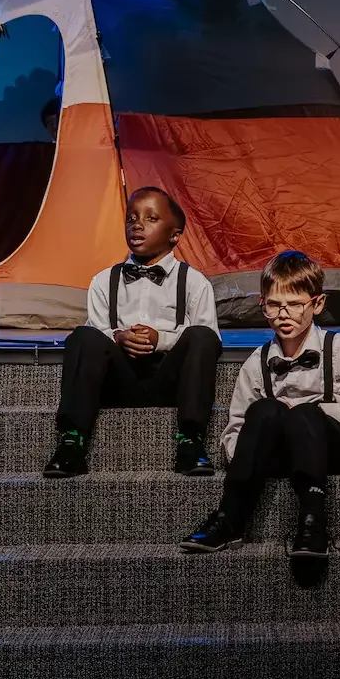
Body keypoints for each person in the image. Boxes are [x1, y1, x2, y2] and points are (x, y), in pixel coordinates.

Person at [180, 250, 340, 563]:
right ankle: (229, 517)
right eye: (274, 305)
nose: (283, 314)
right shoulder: (256, 362)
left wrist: (317, 410)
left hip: (335, 446)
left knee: (304, 413)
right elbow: (235, 428)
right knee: (263, 410)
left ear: (317, 304)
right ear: (263, 304)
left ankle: (312, 518)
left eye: (295, 304)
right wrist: (249, 454)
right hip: (280, 453)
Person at [44, 187, 222, 478]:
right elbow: (97, 333)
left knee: (202, 336)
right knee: (84, 335)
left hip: (170, 381)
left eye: (151, 218)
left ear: (174, 235)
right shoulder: (103, 281)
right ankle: (71, 443)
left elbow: (210, 340)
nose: (137, 225)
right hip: (120, 379)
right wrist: (119, 336)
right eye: (131, 218)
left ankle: (190, 441)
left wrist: (160, 339)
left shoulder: (194, 282)